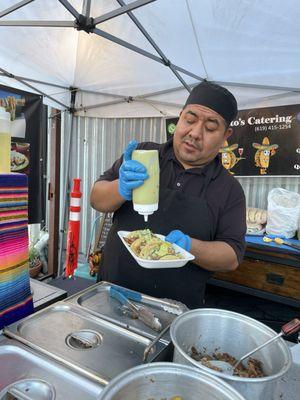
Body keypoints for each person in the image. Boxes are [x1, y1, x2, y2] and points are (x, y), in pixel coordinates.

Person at [90, 81, 246, 309]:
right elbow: (97, 199)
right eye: (190, 120)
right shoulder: (144, 154)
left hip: (174, 312)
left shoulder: (228, 189)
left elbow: (232, 255)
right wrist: (120, 187)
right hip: (112, 294)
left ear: (226, 135)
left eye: (210, 128)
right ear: (180, 117)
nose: (195, 133)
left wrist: (188, 246)